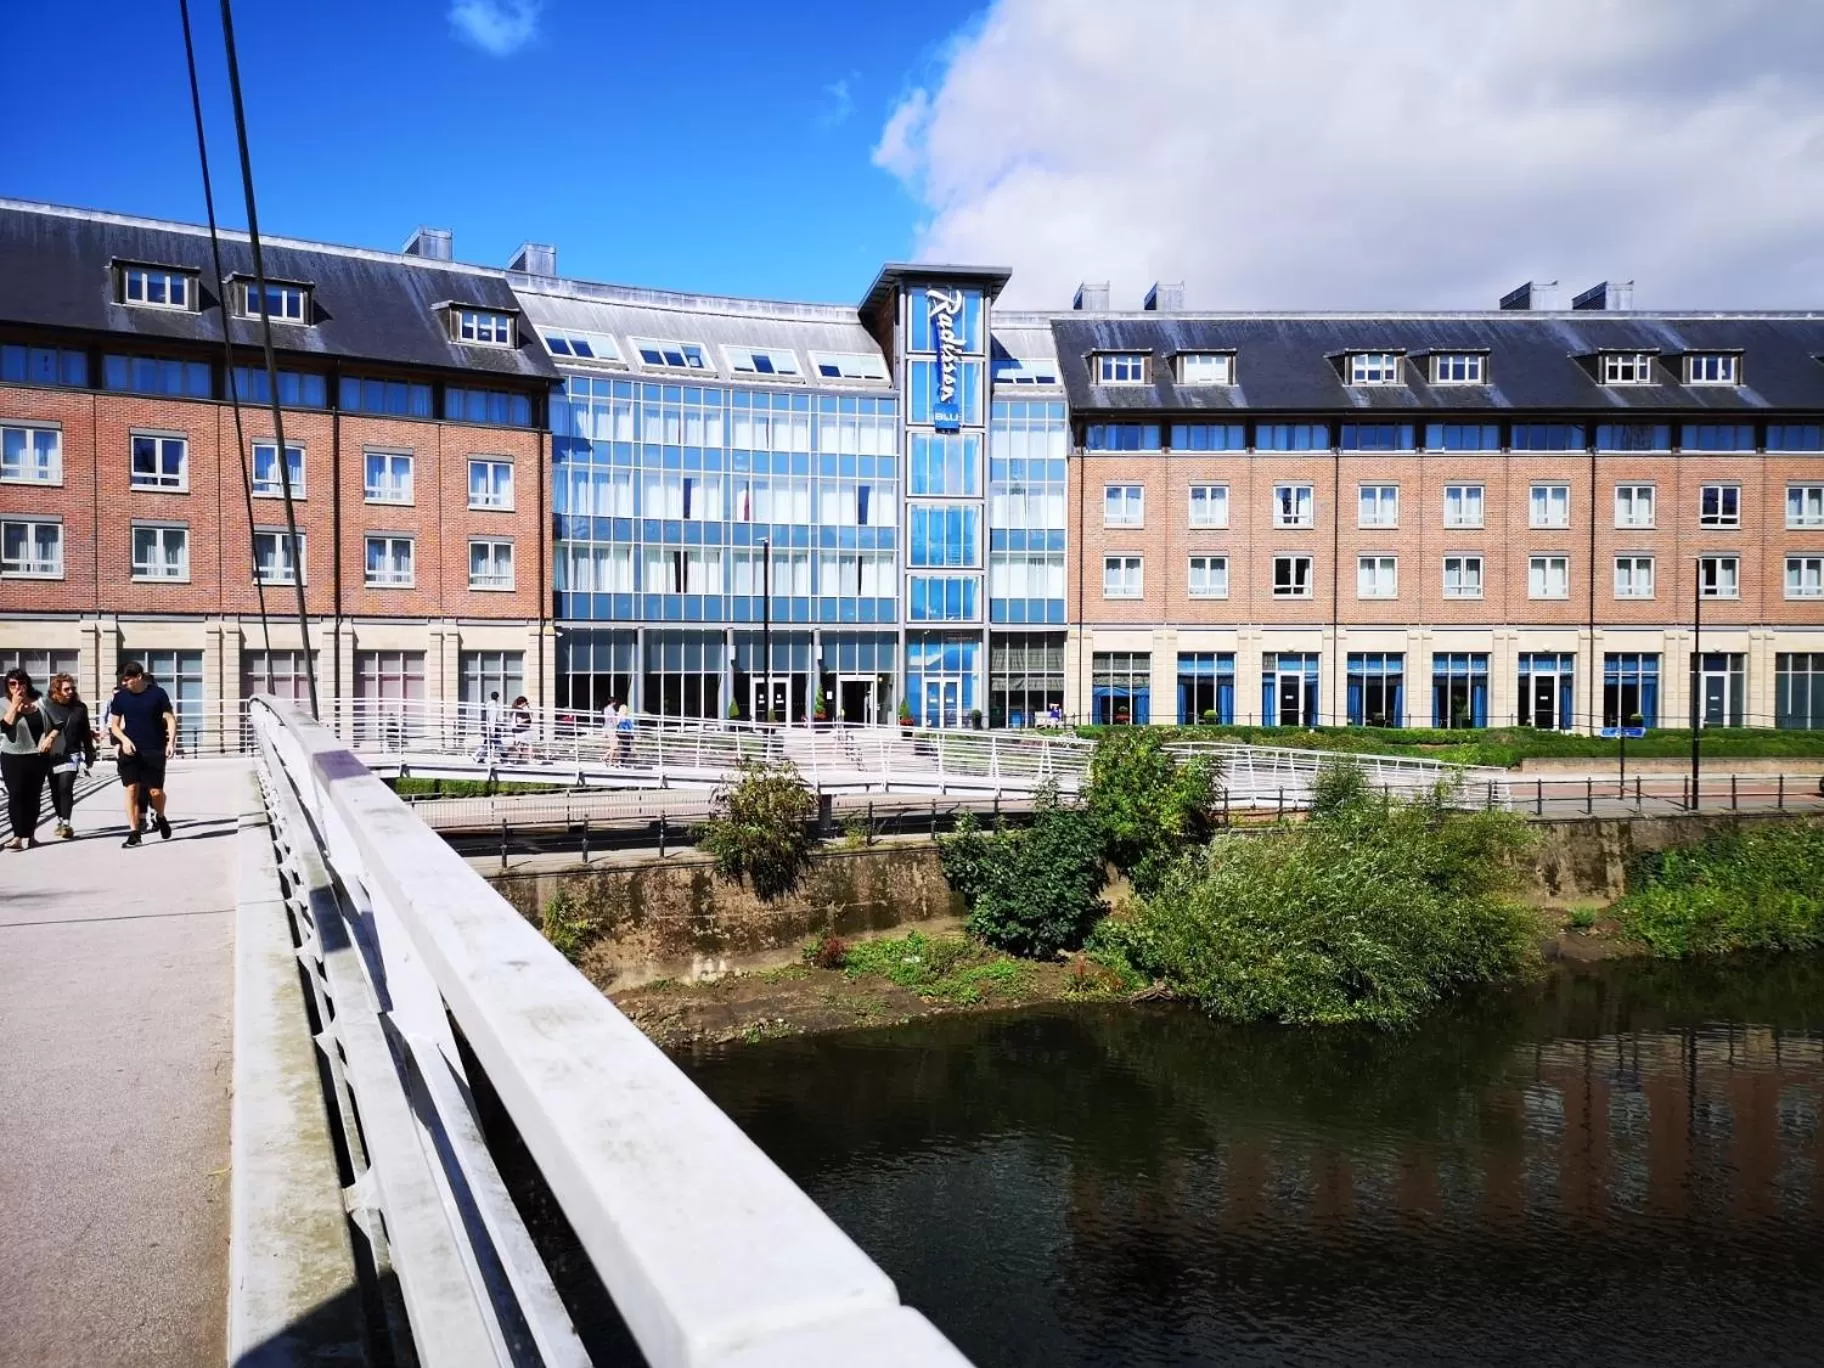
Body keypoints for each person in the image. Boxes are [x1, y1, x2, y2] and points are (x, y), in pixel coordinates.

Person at [109, 660, 177, 848]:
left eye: (127, 679)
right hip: (130, 750)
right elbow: (114, 726)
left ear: (139, 677)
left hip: (154, 748)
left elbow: (170, 719)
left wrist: (171, 743)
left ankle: (160, 816)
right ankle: (134, 832)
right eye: (122, 680)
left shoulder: (158, 694)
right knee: (131, 788)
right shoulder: (121, 697)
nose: (124, 683)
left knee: (156, 792)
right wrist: (123, 740)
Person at [41, 672, 97, 840]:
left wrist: (89, 752)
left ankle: (66, 823)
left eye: (72, 688)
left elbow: (86, 732)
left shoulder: (80, 708)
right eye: (66, 689)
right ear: (56, 690)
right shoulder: (47, 706)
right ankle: (59, 819)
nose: (70, 692)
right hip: (51, 754)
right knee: (55, 790)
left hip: (71, 753)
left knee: (65, 787)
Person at [2, 667, 51, 850]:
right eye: (13, 684)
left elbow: (57, 723)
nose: (18, 687)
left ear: (27, 683)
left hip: (37, 756)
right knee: (16, 795)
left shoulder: (41, 702)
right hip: (12, 756)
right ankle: (17, 836)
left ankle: (30, 834)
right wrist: (14, 705)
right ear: (7, 686)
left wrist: (50, 737)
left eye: (21, 683)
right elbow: (5, 727)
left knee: (34, 796)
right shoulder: (2, 703)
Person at [508, 695, 532, 761]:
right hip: (521, 730)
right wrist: (527, 719)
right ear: (523, 703)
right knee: (529, 744)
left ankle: (520, 757)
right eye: (526, 703)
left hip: (518, 730)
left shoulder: (515, 709)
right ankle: (530, 758)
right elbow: (519, 721)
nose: (527, 704)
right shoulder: (519, 710)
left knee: (521, 744)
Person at [615, 699, 634, 766]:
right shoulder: (626, 717)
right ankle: (621, 761)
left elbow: (617, 725)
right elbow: (630, 726)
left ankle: (621, 761)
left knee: (625, 747)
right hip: (625, 733)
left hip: (621, 733)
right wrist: (632, 734)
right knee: (626, 748)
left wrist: (616, 733)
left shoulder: (619, 716)